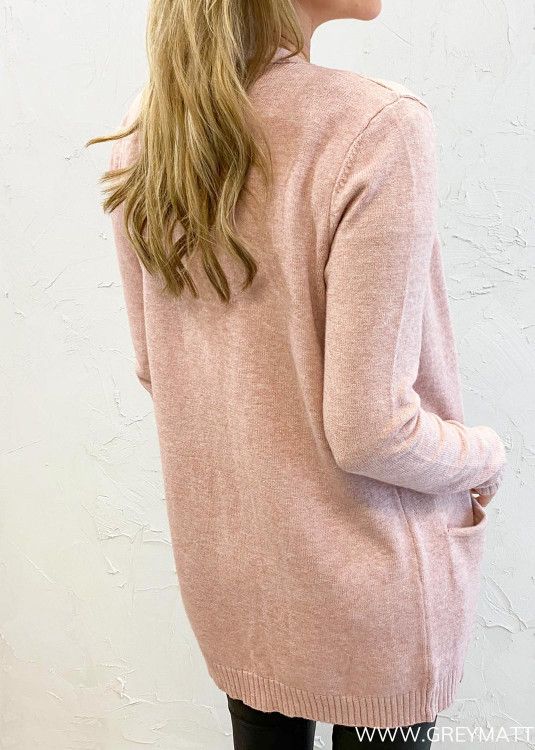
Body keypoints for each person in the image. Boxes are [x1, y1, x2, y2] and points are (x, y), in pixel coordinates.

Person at [87, 0, 507, 747]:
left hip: (241, 585)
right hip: (372, 590)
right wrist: (484, 455)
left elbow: (161, 371)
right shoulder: (376, 127)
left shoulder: (153, 133)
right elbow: (373, 433)